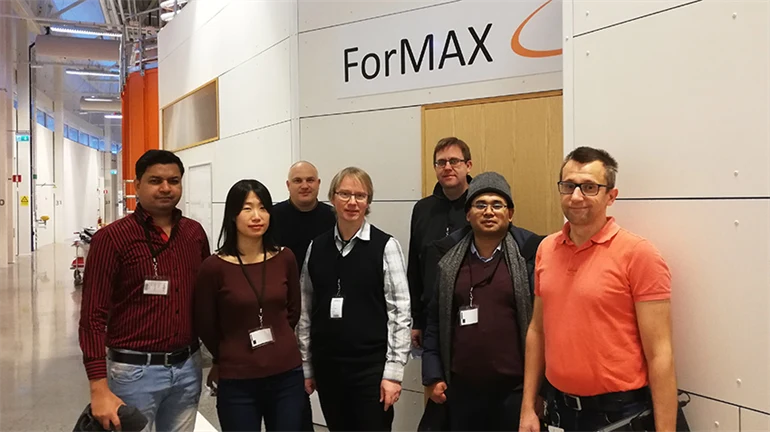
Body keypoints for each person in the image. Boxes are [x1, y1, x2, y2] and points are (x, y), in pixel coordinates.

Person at [520, 147, 677, 432]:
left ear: (611, 196)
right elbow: (537, 330)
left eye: (589, 187)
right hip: (560, 410)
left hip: (618, 414)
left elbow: (660, 355)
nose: (576, 196)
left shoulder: (639, 255)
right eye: (569, 186)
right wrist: (528, 408)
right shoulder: (546, 249)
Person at [79, 149, 211, 432]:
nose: (166, 188)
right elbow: (92, 317)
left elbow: (205, 302)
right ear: (137, 185)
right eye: (155, 180)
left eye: (174, 181)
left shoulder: (194, 234)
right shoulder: (111, 239)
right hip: (134, 373)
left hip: (188, 367)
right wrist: (98, 387)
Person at [421, 172, 543, 432]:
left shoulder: (530, 256)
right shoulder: (448, 260)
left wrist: (540, 393)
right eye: (480, 204)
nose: (489, 211)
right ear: (468, 214)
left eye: (497, 205)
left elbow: (544, 326)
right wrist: (432, 375)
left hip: (515, 391)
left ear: (509, 214)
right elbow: (434, 322)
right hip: (462, 391)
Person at [296, 167, 412, 432]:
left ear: (368, 201)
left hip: (370, 370)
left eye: (360, 195)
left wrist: (393, 373)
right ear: (332, 198)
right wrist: (306, 365)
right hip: (328, 367)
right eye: (345, 194)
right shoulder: (317, 246)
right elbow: (305, 309)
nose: (352, 202)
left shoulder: (386, 246)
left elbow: (400, 312)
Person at [194, 179, 306, 432]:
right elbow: (206, 323)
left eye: (263, 208)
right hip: (237, 379)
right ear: (233, 215)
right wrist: (227, 351)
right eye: (247, 208)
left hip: (286, 374)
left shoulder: (285, 257)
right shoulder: (214, 267)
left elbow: (292, 311)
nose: (257, 216)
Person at [407, 137, 473, 349]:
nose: (447, 167)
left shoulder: (483, 207)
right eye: (441, 162)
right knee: (434, 379)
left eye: (454, 161)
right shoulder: (422, 210)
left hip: (473, 313)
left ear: (468, 165)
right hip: (431, 318)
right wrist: (415, 320)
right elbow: (415, 268)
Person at [273, 161, 336, 269]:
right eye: (297, 181)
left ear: (318, 183)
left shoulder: (334, 217)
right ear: (288, 185)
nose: (305, 186)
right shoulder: (271, 216)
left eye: (310, 180)